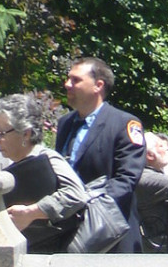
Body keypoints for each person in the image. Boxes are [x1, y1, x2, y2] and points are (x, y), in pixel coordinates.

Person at [55, 56, 146, 253]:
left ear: (98, 85)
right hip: (70, 234)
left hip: (110, 235)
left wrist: (84, 203)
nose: (67, 84)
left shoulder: (124, 124)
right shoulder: (65, 124)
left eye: (75, 80)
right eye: (68, 78)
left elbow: (126, 179)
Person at [0, 93, 87, 252]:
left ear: (26, 133)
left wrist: (31, 213)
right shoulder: (7, 164)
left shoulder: (48, 158)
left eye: (1, 133)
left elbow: (76, 194)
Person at [135, 133, 168, 253]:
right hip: (166, 243)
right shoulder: (145, 178)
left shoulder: (152, 173)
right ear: (150, 155)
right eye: (161, 146)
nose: (167, 148)